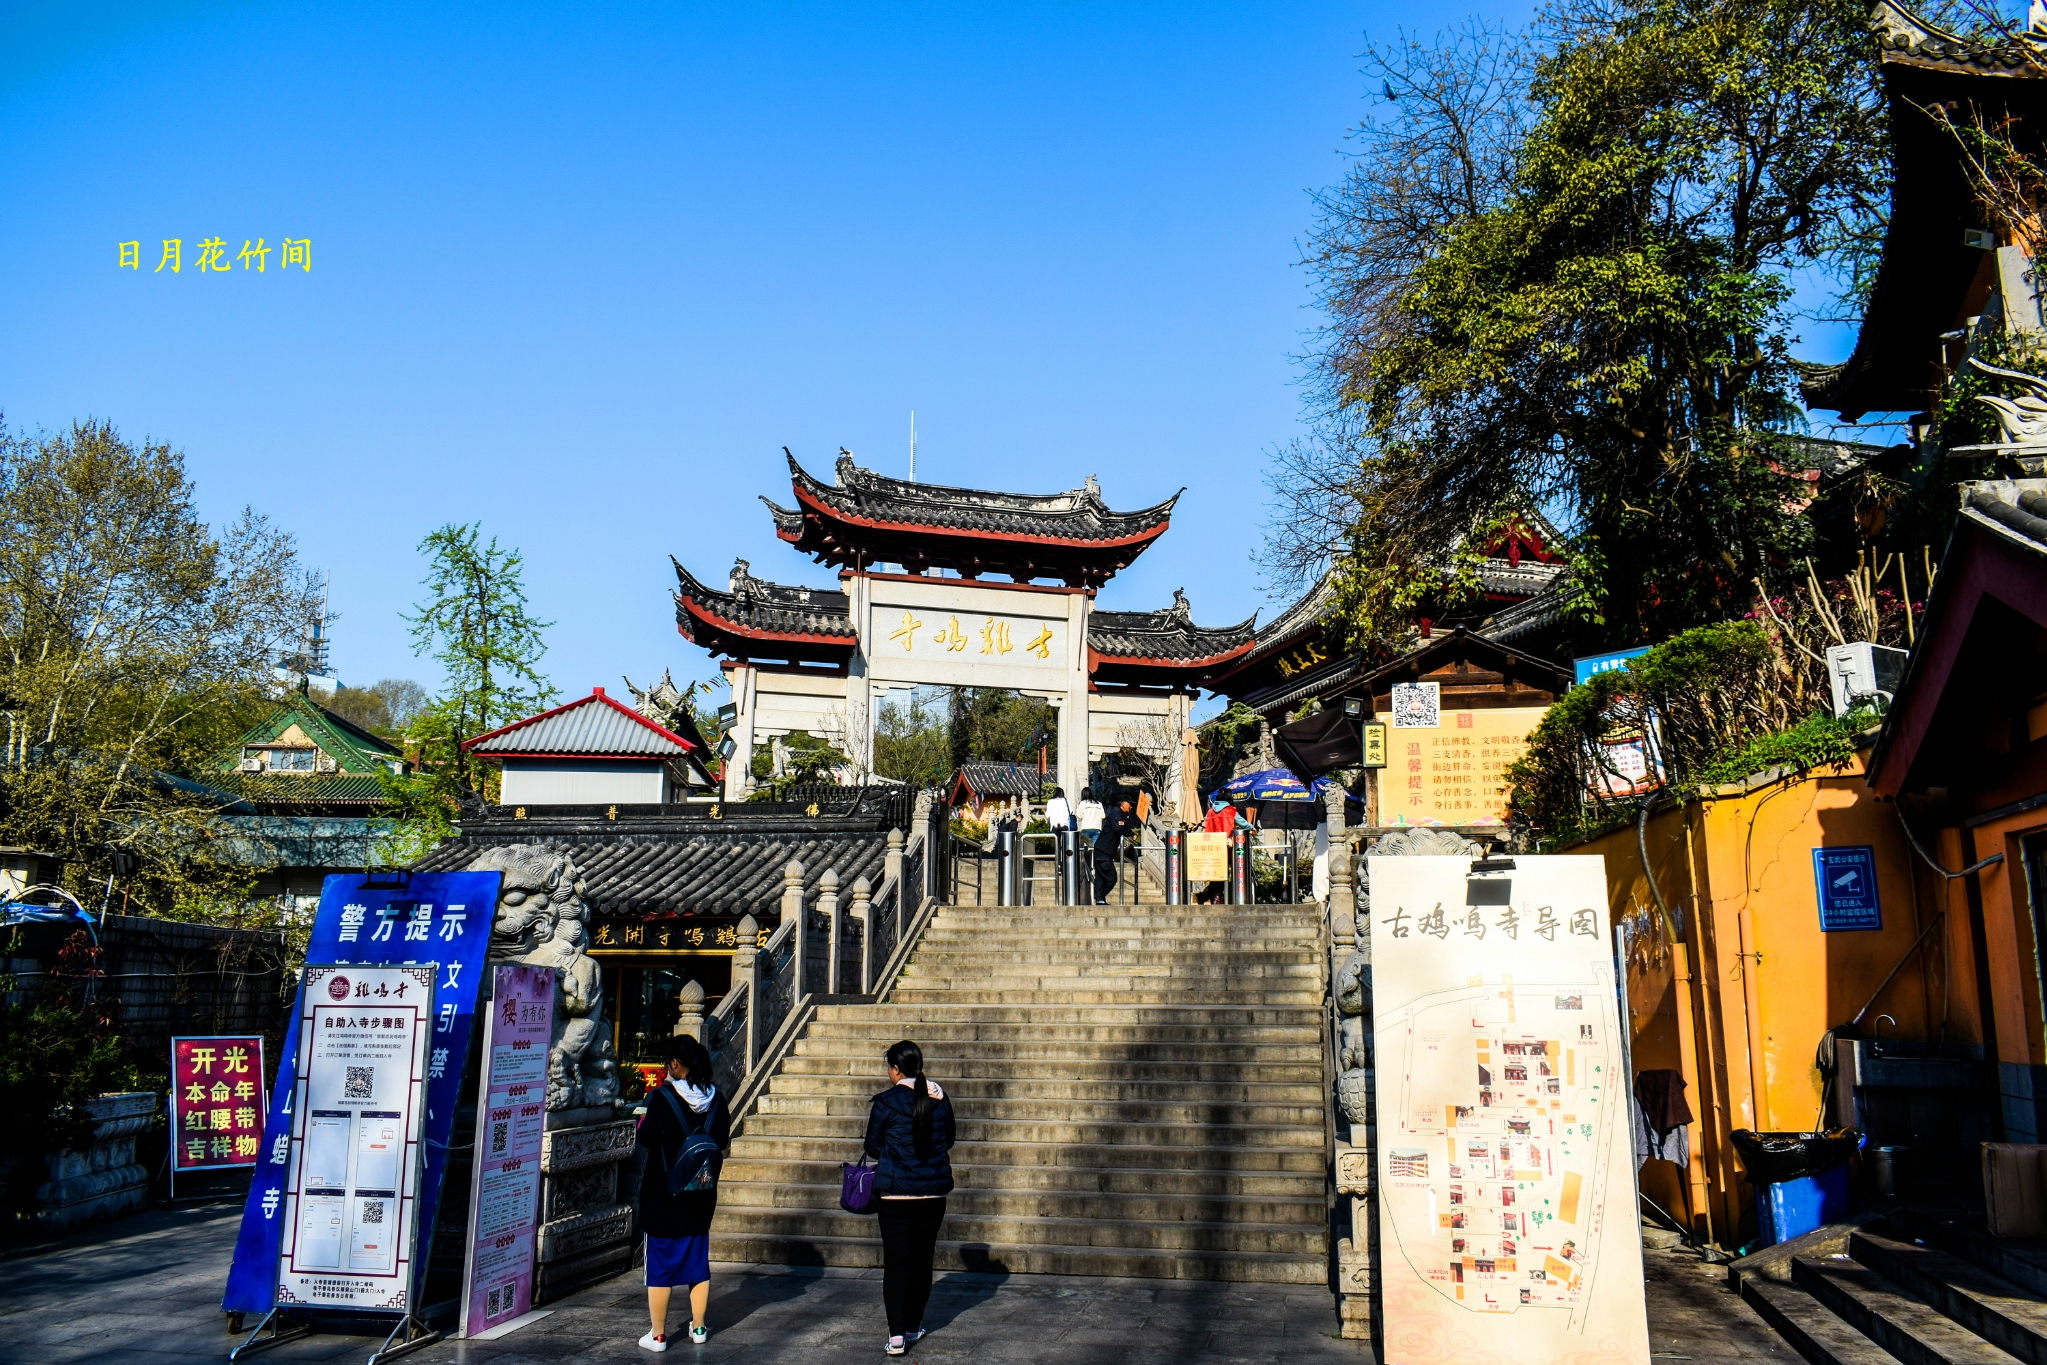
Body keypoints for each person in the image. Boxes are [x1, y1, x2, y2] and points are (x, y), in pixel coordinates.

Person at [635, 1035, 730, 1352]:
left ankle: (659, 1335)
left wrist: (644, 1125)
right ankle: (699, 1327)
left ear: (674, 1064)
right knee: (696, 1264)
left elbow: (647, 1137)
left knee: (660, 1266)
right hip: (701, 1194)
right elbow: (722, 1140)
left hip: (665, 1195)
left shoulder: (663, 1097)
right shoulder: (716, 1098)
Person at [865, 1040, 956, 1357]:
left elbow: (873, 1148)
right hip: (932, 1193)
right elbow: (950, 1140)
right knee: (921, 1261)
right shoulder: (940, 1099)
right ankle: (913, 1325)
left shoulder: (886, 1103)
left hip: (895, 1195)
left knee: (896, 1264)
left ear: (895, 1069)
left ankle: (895, 1337)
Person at [1093, 796, 1136, 904]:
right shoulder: (1116, 814)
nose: (1130, 807)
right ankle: (1100, 897)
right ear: (1123, 804)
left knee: (1101, 876)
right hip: (1104, 851)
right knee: (1111, 877)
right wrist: (1131, 833)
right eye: (1129, 804)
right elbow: (1119, 828)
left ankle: (1099, 899)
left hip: (1102, 850)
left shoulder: (1120, 815)